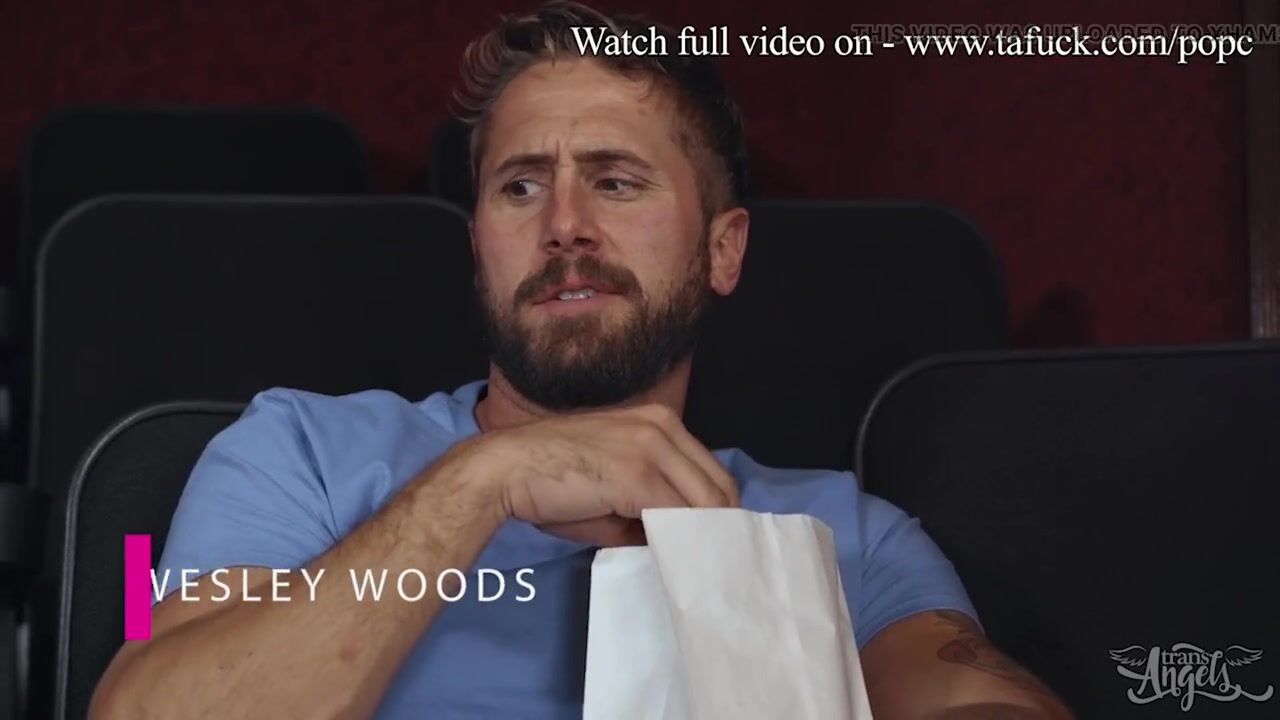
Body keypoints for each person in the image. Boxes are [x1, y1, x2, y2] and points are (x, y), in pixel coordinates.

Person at [90, 2, 1072, 718]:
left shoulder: (844, 534)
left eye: (616, 181)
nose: (564, 224)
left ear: (722, 250)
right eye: (520, 187)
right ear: (478, 245)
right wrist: (484, 481)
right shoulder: (296, 451)